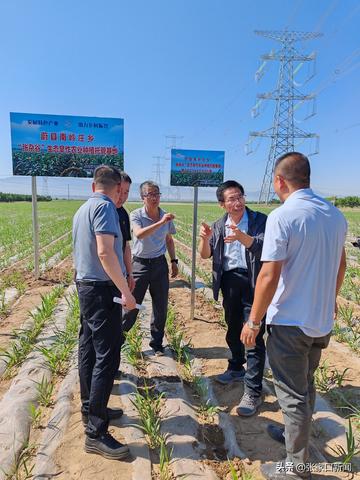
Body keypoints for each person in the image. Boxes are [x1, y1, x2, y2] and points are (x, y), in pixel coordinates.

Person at [240, 152, 347, 479]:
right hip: (320, 321)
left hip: (289, 323)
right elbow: (340, 265)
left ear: (279, 181)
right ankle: (292, 436)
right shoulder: (334, 215)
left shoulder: (283, 216)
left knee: (292, 395)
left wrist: (253, 321)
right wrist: (330, 300)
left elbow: (269, 275)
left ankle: (295, 468)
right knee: (305, 384)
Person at [73, 165, 136, 460]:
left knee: (87, 347)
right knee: (107, 355)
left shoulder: (83, 208)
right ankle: (96, 432)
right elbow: (104, 251)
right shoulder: (106, 208)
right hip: (100, 290)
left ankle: (91, 408)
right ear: (115, 188)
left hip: (85, 285)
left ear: (93, 185)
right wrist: (125, 291)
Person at [198, 180, 267, 416]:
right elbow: (205, 255)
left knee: (254, 334)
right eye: (231, 199)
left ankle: (253, 392)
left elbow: (263, 247)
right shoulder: (219, 225)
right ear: (222, 204)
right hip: (229, 283)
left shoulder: (259, 220)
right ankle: (236, 365)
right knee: (233, 328)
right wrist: (205, 238)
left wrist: (241, 237)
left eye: (240, 197)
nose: (237, 202)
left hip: (255, 283)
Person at [122, 181, 178, 355]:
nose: (154, 198)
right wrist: (161, 222)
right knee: (132, 305)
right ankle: (117, 339)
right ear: (142, 197)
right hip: (140, 264)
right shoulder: (136, 215)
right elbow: (139, 234)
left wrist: (174, 260)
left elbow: (169, 240)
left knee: (160, 307)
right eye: (150, 195)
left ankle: (157, 344)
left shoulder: (164, 216)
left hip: (159, 264)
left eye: (157, 194)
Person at [116, 171, 135, 292]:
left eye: (126, 192)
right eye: (119, 191)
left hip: (119, 274)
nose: (122, 196)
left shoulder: (123, 213)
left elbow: (126, 245)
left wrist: (129, 274)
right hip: (101, 278)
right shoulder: (102, 211)